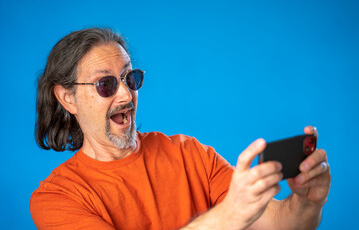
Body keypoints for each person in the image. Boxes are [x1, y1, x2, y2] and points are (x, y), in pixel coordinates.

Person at [30, 27, 331, 230]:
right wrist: (228, 216)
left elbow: (273, 223)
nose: (126, 95)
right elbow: (234, 215)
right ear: (68, 98)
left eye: (129, 78)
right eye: (105, 84)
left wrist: (306, 202)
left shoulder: (189, 154)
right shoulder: (57, 197)